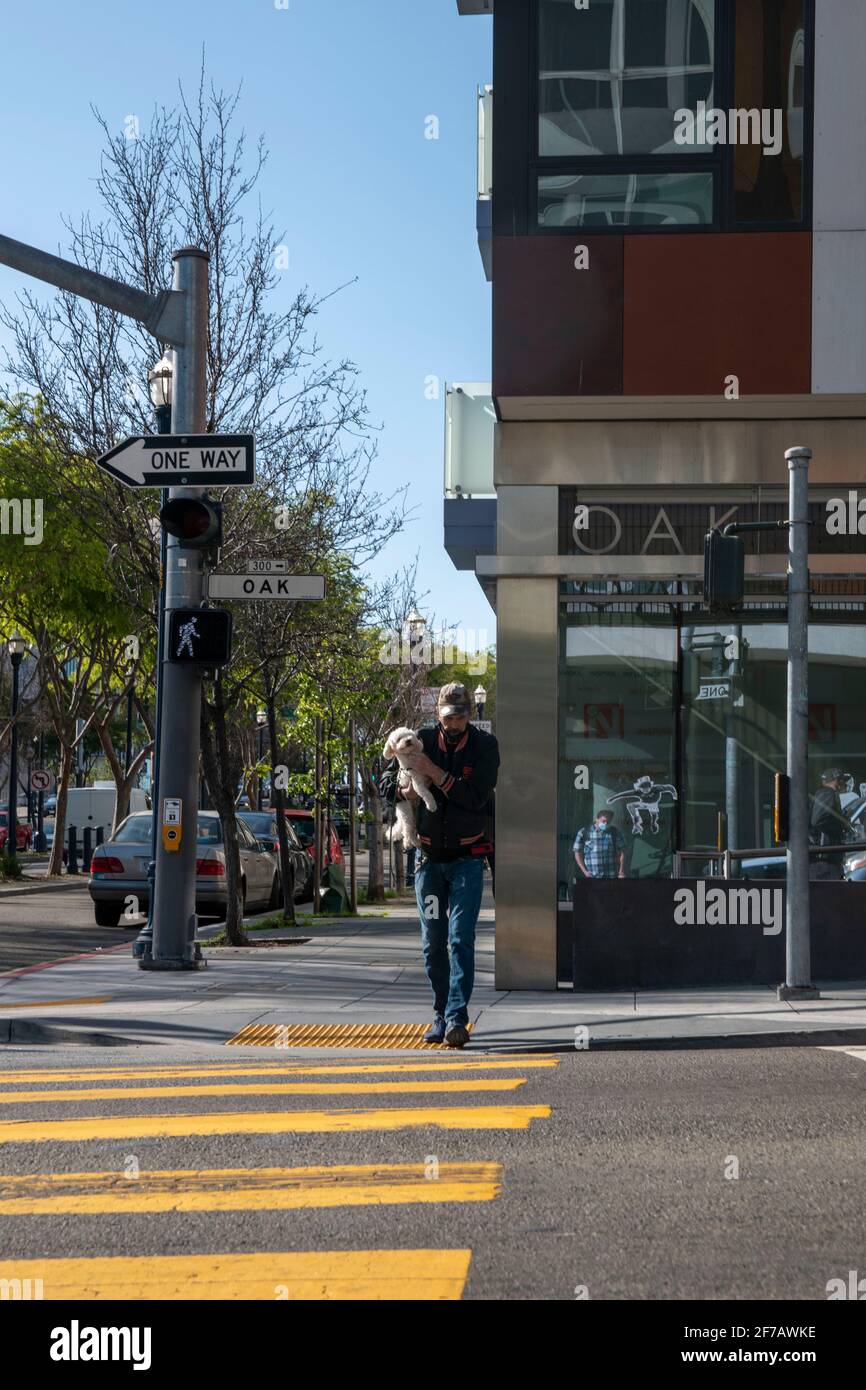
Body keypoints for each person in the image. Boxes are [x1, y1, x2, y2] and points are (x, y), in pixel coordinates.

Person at [382, 683, 499, 1048]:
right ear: (438, 716)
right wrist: (404, 792)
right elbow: (383, 779)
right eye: (449, 716)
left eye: (462, 715)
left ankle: (457, 1018)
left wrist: (433, 771)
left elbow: (475, 798)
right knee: (433, 943)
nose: (456, 722)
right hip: (429, 860)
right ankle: (439, 1012)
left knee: (461, 939)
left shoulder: (485, 747)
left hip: (467, 859)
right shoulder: (420, 739)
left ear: (470, 714)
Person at [809, 768, 849, 880]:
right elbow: (818, 820)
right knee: (829, 893)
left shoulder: (823, 794)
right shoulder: (827, 793)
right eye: (842, 780)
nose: (844, 783)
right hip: (825, 858)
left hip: (825, 857)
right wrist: (840, 823)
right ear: (836, 780)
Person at [574, 808, 626, 880]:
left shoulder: (614, 832)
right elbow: (577, 853)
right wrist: (585, 871)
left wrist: (621, 871)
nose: (605, 824)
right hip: (592, 876)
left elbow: (622, 852)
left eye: (608, 822)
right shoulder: (585, 832)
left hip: (610, 875)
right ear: (597, 819)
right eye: (603, 821)